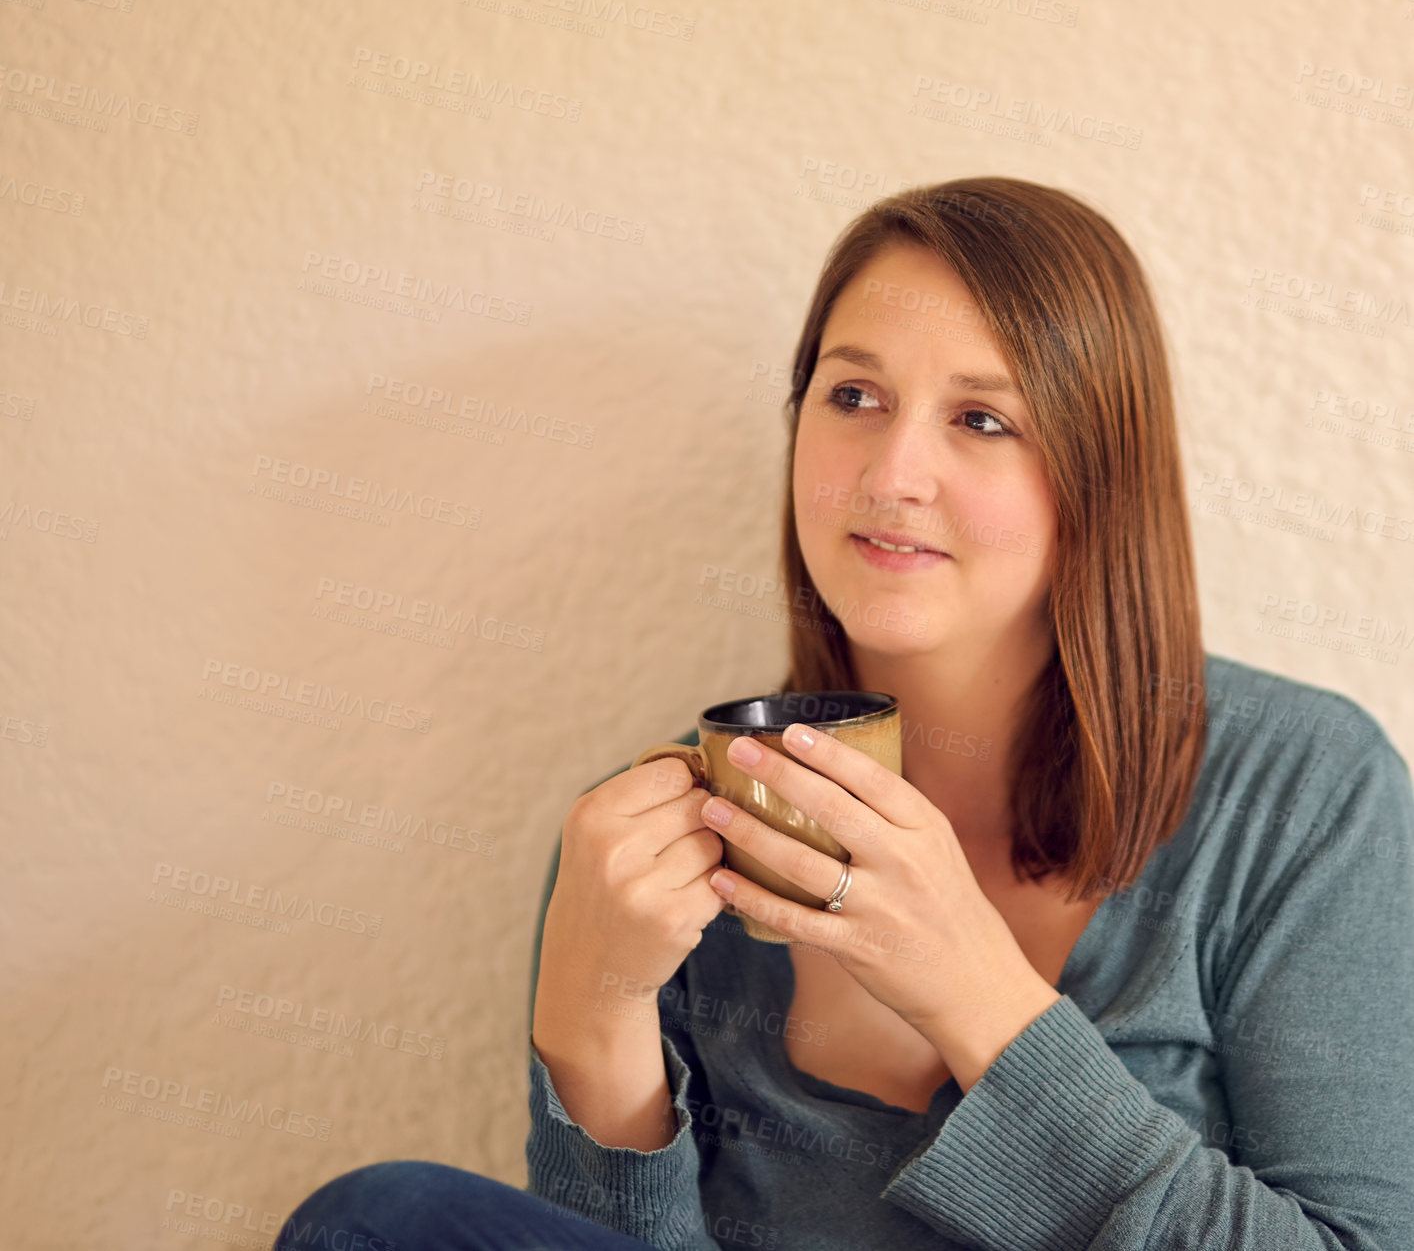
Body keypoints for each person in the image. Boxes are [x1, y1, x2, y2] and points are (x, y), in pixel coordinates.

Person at [275, 177, 1414, 1250]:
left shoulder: (1301, 788)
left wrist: (978, 997)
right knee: (379, 1221)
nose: (890, 474)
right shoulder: (659, 833)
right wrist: (591, 1015)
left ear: (1097, 472)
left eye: (981, 419)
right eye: (854, 396)